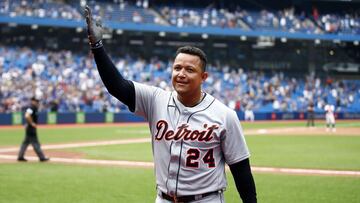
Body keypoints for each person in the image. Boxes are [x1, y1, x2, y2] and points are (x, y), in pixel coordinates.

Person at [85, 5, 256, 203]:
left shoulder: (224, 115)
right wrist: (97, 46)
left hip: (206, 199)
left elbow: (241, 170)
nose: (181, 74)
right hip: (163, 198)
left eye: (190, 70)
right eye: (177, 68)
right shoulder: (156, 100)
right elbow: (117, 86)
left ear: (204, 77)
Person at [17, 97, 50, 162]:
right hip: (31, 128)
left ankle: (20, 156)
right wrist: (31, 123)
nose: (37, 103)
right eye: (36, 101)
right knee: (35, 143)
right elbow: (27, 115)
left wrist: (28, 123)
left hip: (29, 127)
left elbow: (27, 116)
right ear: (32, 101)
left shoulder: (33, 108)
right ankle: (42, 157)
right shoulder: (31, 108)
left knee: (25, 143)